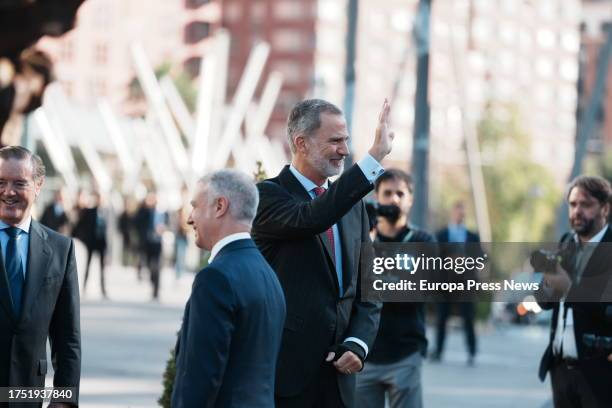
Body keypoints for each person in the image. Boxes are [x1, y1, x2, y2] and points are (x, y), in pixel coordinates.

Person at [252, 98, 394, 407]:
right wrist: (374, 158)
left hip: (340, 380)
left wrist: (358, 345)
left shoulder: (352, 205)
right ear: (301, 143)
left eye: (346, 140)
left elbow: (369, 285)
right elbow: (312, 218)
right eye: (334, 141)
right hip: (285, 377)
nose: (344, 149)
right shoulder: (267, 197)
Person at [172, 170, 286, 407]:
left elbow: (200, 379)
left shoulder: (215, 278)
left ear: (219, 206)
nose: (190, 218)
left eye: (195, 206)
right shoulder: (268, 275)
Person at [0, 146, 80, 408]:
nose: (8, 192)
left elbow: (67, 336)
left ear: (38, 185)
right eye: (1, 182)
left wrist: (64, 401)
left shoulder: (61, 249)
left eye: (19, 183)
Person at [355, 169, 435, 408]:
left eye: (400, 193)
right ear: (377, 197)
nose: (393, 199)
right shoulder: (362, 239)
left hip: (405, 354)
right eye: (387, 193)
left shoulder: (423, 241)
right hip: (364, 357)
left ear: (410, 199)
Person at [536, 175, 612, 407]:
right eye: (573, 204)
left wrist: (569, 288)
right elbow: (544, 302)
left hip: (601, 372)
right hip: (561, 370)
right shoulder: (566, 242)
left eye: (586, 204)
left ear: (605, 208)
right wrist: (548, 283)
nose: (577, 211)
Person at [432, 200, 481, 365]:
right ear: (452, 213)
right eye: (458, 212)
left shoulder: (473, 237)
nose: (460, 215)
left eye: (463, 213)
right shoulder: (441, 235)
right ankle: (438, 351)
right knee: (441, 318)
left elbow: (479, 258)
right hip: (445, 283)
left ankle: (472, 352)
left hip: (465, 283)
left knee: (468, 318)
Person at [72, 191, 108, 299]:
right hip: (91, 242)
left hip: (101, 243)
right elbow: (80, 225)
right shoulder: (90, 211)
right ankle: (84, 288)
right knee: (88, 265)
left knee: (102, 268)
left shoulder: (107, 212)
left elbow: (109, 229)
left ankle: (103, 290)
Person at [134, 192, 166, 300]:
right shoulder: (144, 211)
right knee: (149, 265)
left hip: (157, 242)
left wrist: (163, 228)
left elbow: (168, 223)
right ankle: (153, 280)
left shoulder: (161, 212)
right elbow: (136, 222)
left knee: (156, 266)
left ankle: (156, 290)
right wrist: (143, 208)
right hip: (147, 242)